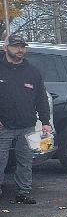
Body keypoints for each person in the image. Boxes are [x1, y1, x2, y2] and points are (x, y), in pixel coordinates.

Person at [0, 30, 52, 205]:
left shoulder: (33, 72)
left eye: (22, 47)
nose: (20, 50)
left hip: (27, 126)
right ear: (6, 47)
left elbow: (41, 99)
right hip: (3, 126)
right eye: (16, 46)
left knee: (25, 161)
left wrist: (45, 122)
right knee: (1, 160)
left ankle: (23, 192)